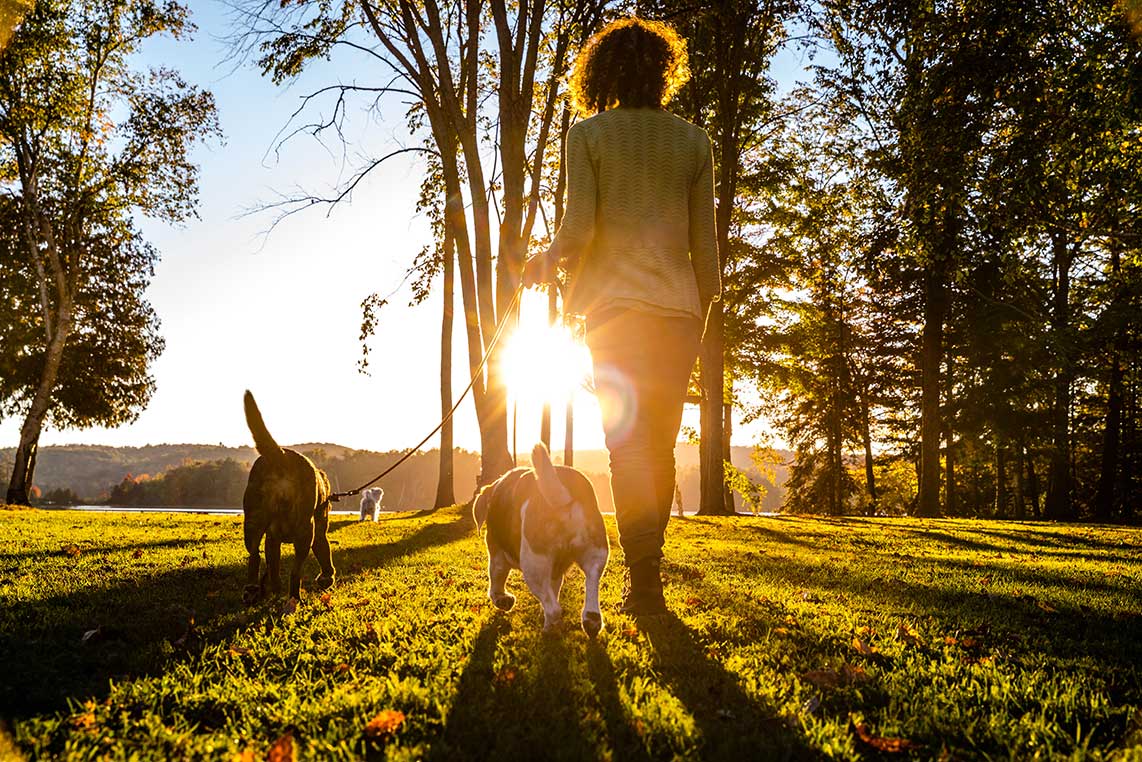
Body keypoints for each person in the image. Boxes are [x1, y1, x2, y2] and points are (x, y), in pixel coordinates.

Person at [523, 17, 720, 615]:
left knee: (627, 448)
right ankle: (646, 576)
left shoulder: (588, 137)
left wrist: (544, 260)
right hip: (679, 312)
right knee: (656, 448)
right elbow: (706, 250)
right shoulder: (693, 142)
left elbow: (578, 231)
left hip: (614, 313)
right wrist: (701, 312)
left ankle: (646, 581)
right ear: (665, 73)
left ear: (601, 74)